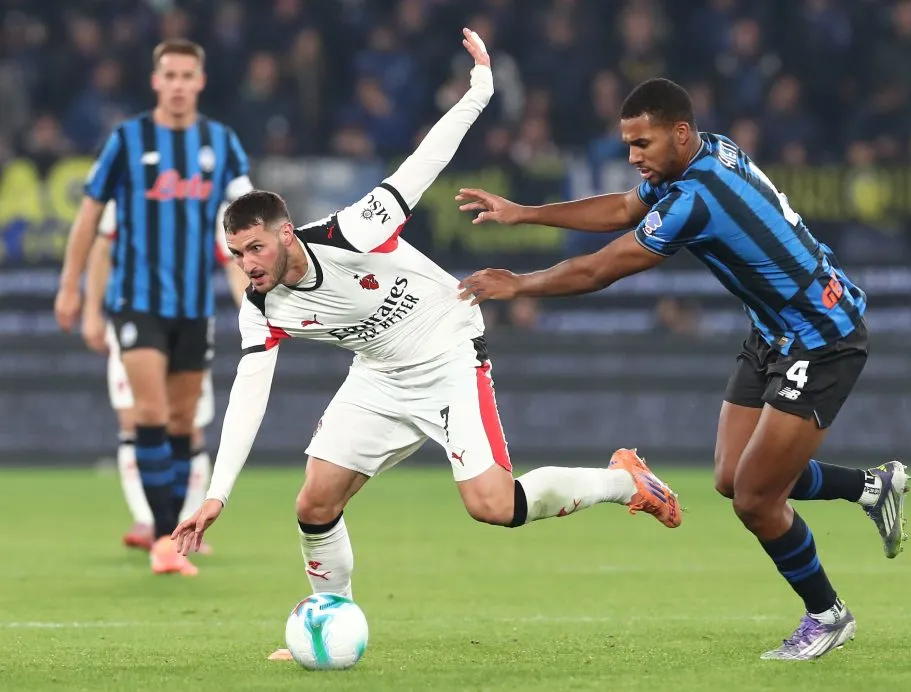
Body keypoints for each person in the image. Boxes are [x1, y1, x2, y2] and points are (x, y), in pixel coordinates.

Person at [171, 30, 681, 662]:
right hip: (379, 373)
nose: (247, 265)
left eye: (255, 249)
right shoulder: (262, 305)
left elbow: (422, 163)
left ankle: (621, 480)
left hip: (446, 351)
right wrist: (217, 495)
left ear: (284, 234)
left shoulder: (352, 231)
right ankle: (330, 619)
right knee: (314, 501)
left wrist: (479, 92)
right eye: (237, 255)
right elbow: (250, 394)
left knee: (493, 506)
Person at [455, 77, 911, 661]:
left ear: (679, 133)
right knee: (732, 478)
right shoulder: (707, 152)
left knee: (754, 499)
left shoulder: (697, 197)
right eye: (628, 144)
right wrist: (523, 215)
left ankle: (827, 614)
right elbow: (622, 208)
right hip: (772, 333)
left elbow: (602, 270)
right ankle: (872, 487)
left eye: (642, 144)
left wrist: (520, 284)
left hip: (821, 337)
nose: (632, 156)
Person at [55, 39, 254, 576]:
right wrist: (71, 286)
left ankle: (171, 530)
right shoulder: (127, 140)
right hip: (136, 302)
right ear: (156, 80)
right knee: (147, 412)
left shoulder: (221, 143)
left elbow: (248, 218)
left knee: (182, 420)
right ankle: (165, 540)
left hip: (192, 306)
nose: (179, 84)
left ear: (201, 81)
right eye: (170, 74)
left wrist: (260, 285)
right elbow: (91, 218)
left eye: (188, 74)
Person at [81, 201, 249, 551]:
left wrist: (250, 309)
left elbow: (233, 258)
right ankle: (148, 521)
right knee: (135, 418)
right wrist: (91, 311)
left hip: (189, 319)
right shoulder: (128, 186)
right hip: (134, 315)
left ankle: (187, 523)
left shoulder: (208, 190)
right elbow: (102, 247)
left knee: (185, 423)